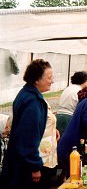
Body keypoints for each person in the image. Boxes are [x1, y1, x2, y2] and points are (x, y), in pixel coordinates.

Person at [1, 59, 54, 188]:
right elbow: (27, 137)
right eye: (49, 77)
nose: (52, 81)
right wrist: (34, 165)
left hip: (17, 159)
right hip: (23, 166)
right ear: (36, 79)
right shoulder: (32, 102)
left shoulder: (26, 93)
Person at [56, 71, 87, 135]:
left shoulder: (68, 88)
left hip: (58, 116)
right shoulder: (80, 91)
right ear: (84, 81)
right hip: (69, 117)